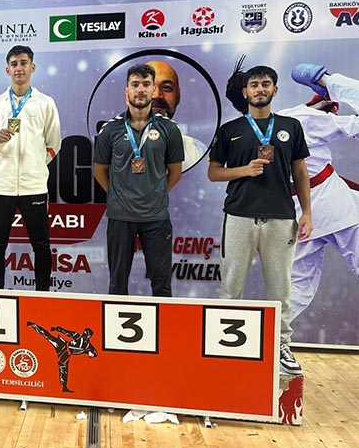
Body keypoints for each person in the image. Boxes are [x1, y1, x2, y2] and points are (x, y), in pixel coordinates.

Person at [228, 61, 359, 322]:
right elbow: (352, 127)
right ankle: (326, 78)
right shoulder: (300, 119)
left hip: (295, 215)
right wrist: (327, 82)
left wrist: (318, 109)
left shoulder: (238, 137)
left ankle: (266, 335)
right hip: (336, 207)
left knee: (296, 289)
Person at [209, 64, 312, 376]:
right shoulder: (229, 130)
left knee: (281, 290)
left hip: (281, 218)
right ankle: (227, 346)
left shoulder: (291, 126)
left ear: (275, 90)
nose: (260, 89)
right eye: (254, 85)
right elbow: (214, 173)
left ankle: (281, 345)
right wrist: (244, 170)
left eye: (266, 84)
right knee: (231, 286)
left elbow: (300, 172)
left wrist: (307, 213)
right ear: (245, 92)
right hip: (238, 216)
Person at [94, 63, 184, 297]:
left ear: (153, 89)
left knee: (162, 283)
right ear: (127, 91)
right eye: (135, 84)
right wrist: (117, 195)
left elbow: (175, 171)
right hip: (120, 217)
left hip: (156, 218)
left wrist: (157, 193)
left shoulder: (169, 129)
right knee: (117, 283)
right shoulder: (110, 129)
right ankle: (116, 320)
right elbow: (100, 170)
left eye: (146, 84)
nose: (141, 89)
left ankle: (163, 321)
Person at [0, 45, 61, 291]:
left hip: (33, 186)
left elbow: (54, 143)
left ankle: (43, 296)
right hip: (0, 186)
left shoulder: (45, 103)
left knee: (41, 245)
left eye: (23, 63)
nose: (19, 68)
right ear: (7, 70)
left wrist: (35, 165)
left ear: (32, 67)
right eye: (14, 64)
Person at [146, 60, 209, 171]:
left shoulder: (196, 152)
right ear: (129, 96)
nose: (156, 95)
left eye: (166, 88)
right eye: (147, 86)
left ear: (178, 96)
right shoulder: (114, 149)